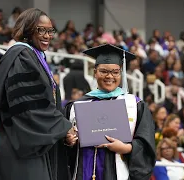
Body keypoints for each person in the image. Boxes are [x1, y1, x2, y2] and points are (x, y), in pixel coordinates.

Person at [0, 8, 74, 180]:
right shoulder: (21, 56)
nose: (47, 35)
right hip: (21, 148)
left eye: (50, 30)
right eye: (41, 30)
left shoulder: (35, 57)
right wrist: (63, 128)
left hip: (31, 144)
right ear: (28, 29)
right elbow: (29, 107)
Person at [65, 44, 156, 180]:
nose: (109, 76)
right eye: (104, 71)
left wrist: (126, 149)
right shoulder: (76, 106)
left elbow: (146, 145)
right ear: (94, 72)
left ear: (121, 73)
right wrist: (68, 141)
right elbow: (63, 150)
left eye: (115, 72)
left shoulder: (135, 105)